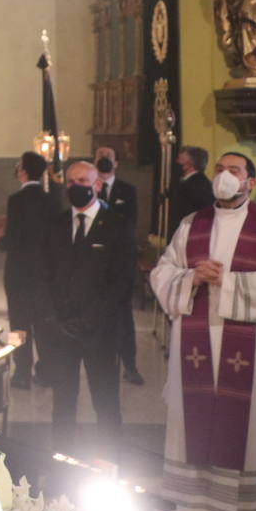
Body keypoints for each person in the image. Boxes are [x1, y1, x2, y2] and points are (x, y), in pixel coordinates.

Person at [151, 152, 256, 511]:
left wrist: (229, 282)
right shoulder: (192, 224)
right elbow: (163, 272)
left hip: (247, 350)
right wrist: (191, 277)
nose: (224, 176)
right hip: (196, 346)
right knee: (193, 427)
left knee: (249, 432)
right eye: (219, 170)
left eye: (234, 170)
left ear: (249, 181)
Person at [39, 160, 136, 449]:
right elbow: (43, 275)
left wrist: (89, 319)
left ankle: (111, 464)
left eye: (82, 181)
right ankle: (60, 465)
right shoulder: (55, 224)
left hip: (101, 331)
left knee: (105, 403)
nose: (75, 187)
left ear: (96, 185)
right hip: (61, 330)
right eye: (70, 182)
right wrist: (54, 317)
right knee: (63, 403)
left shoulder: (119, 225)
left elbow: (122, 282)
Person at [0, 151, 54, 388]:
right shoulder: (52, 200)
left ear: (23, 171)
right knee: (43, 324)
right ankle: (47, 370)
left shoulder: (16, 201)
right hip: (44, 273)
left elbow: (11, 240)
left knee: (18, 323)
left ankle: (21, 371)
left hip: (19, 273)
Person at [96, 146, 144, 385]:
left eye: (108, 157)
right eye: (100, 157)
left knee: (124, 318)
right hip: (95, 263)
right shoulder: (88, 188)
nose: (104, 160)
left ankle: (130, 364)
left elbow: (130, 223)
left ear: (116, 163)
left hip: (120, 262)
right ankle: (100, 365)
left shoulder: (128, 190)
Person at [173, 146, 216, 234]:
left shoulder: (199, 185)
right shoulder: (188, 182)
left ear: (190, 163)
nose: (177, 162)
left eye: (181, 159)